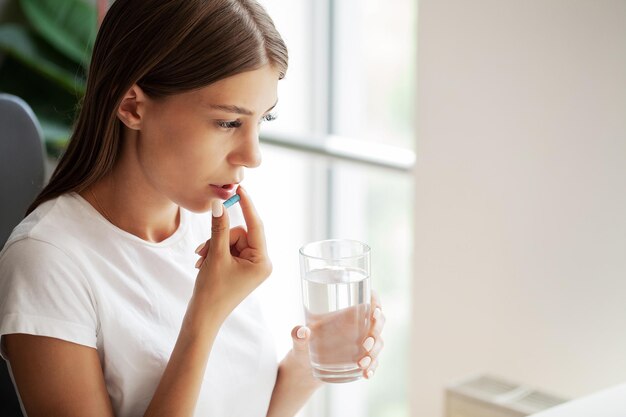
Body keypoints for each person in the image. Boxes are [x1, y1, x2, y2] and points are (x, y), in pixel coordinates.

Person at [0, 0, 386, 416]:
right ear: (132, 106)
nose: (252, 155)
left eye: (263, 121)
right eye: (227, 122)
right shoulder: (48, 261)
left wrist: (313, 361)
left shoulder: (214, 217)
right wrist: (205, 317)